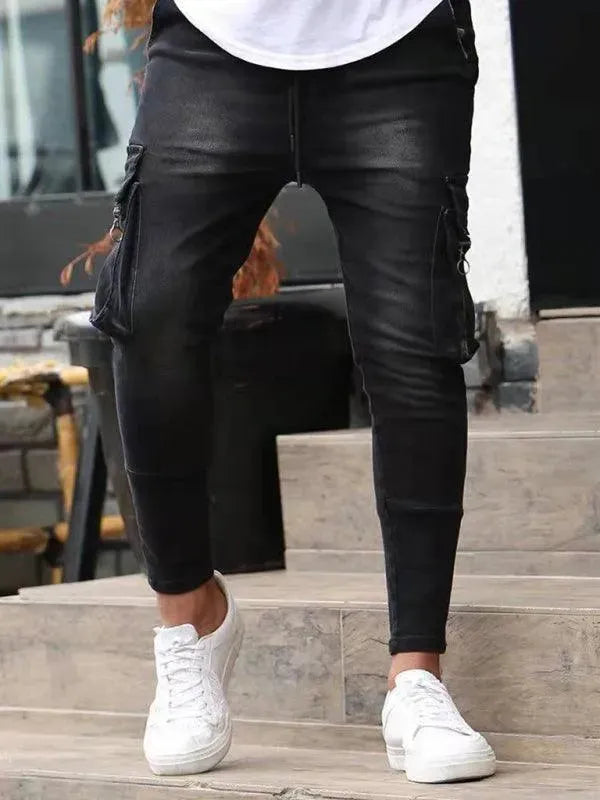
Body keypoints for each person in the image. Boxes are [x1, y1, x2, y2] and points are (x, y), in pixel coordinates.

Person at [90, 0, 497, 785]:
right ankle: (190, 619)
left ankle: (416, 678)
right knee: (153, 316)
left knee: (413, 346)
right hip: (217, 39)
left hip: (397, 37)